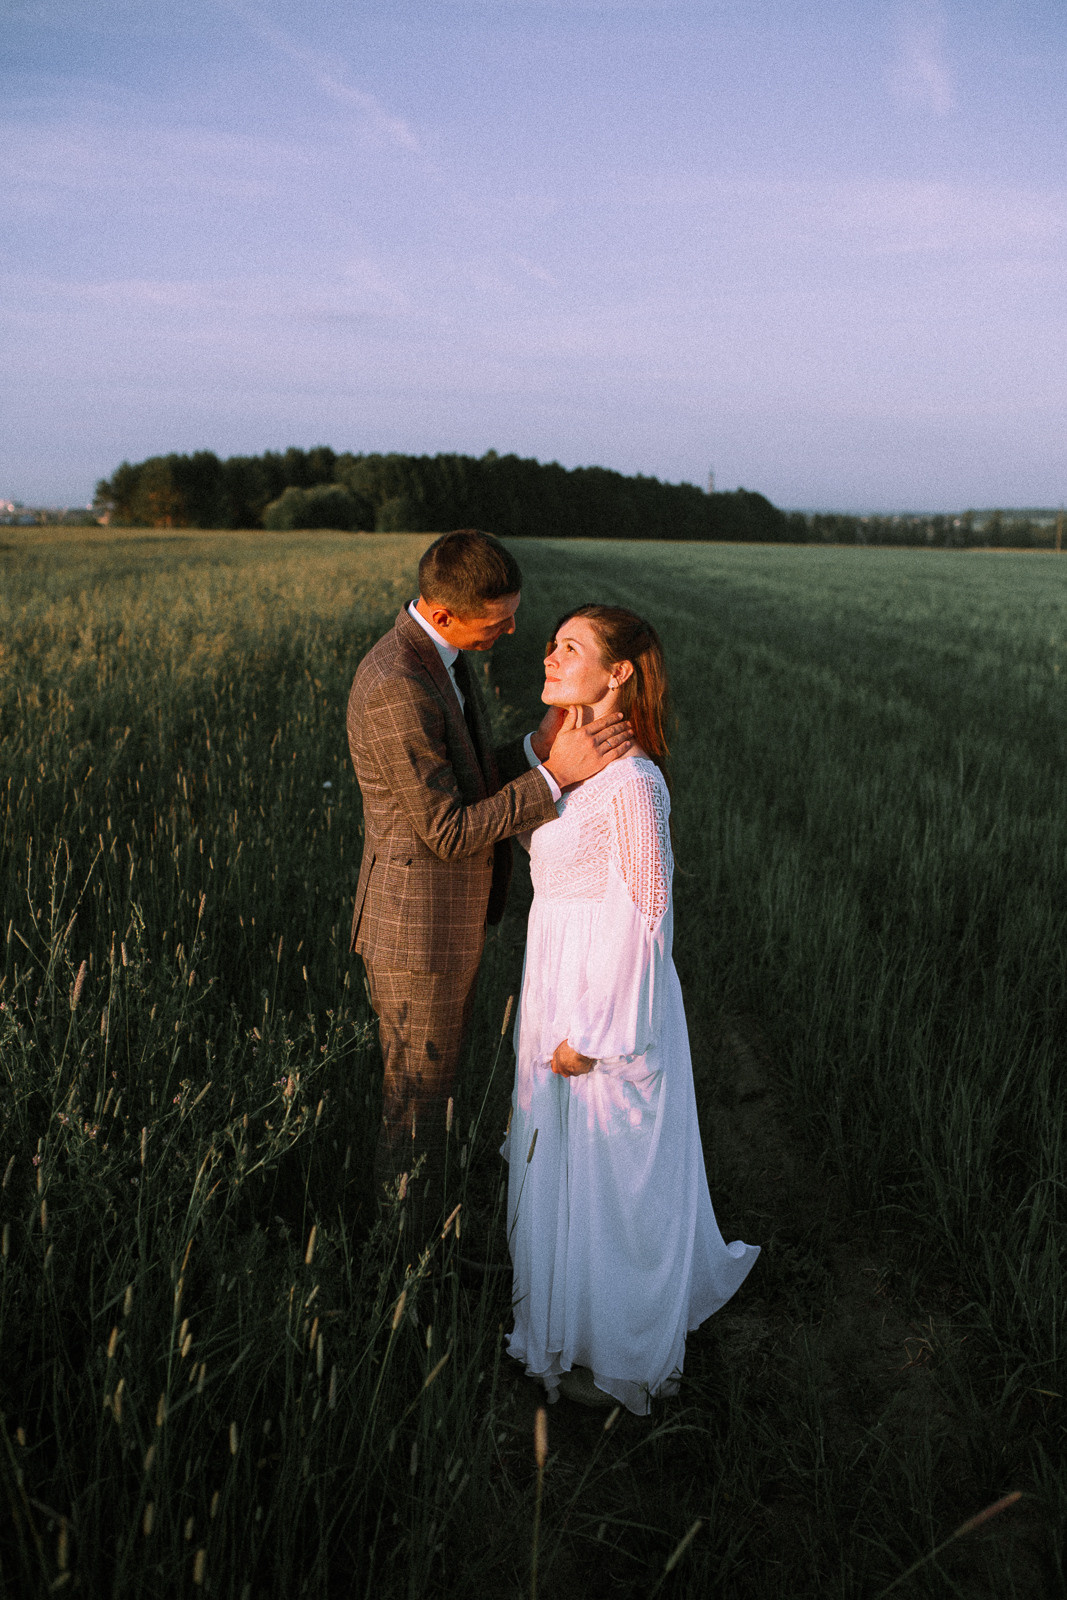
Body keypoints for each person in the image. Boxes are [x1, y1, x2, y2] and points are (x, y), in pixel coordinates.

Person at [504, 605, 759, 1414]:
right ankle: (561, 1325)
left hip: (604, 1006)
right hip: (553, 976)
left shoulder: (635, 784)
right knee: (558, 1162)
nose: (550, 652)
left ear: (618, 673)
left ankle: (617, 1348)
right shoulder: (568, 758)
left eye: (570, 647)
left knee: (609, 1175)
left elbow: (649, 916)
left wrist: (601, 1038)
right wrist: (556, 746)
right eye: (551, 640)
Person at [346, 531, 633, 1221]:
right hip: (417, 937)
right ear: (442, 613)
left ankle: (422, 1246)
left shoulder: (437, 654)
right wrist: (554, 776)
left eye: (512, 612)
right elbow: (446, 831)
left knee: (431, 1098)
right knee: (416, 1109)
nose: (510, 631)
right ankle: (403, 1277)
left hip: (440, 927)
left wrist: (537, 746)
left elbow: (467, 777)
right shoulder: (396, 686)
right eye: (495, 621)